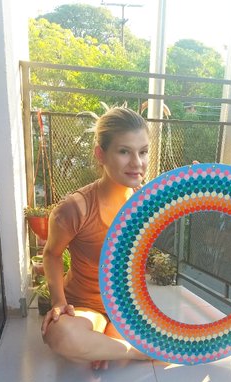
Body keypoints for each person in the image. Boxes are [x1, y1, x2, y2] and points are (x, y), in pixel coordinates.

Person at [41, 107, 151, 368]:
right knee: (61, 335)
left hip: (127, 309)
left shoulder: (148, 200)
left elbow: (187, 202)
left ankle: (107, 347)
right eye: (124, 151)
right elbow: (51, 253)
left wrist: (196, 184)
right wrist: (58, 302)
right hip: (86, 307)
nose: (137, 163)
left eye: (143, 151)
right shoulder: (75, 208)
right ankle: (136, 352)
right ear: (100, 154)